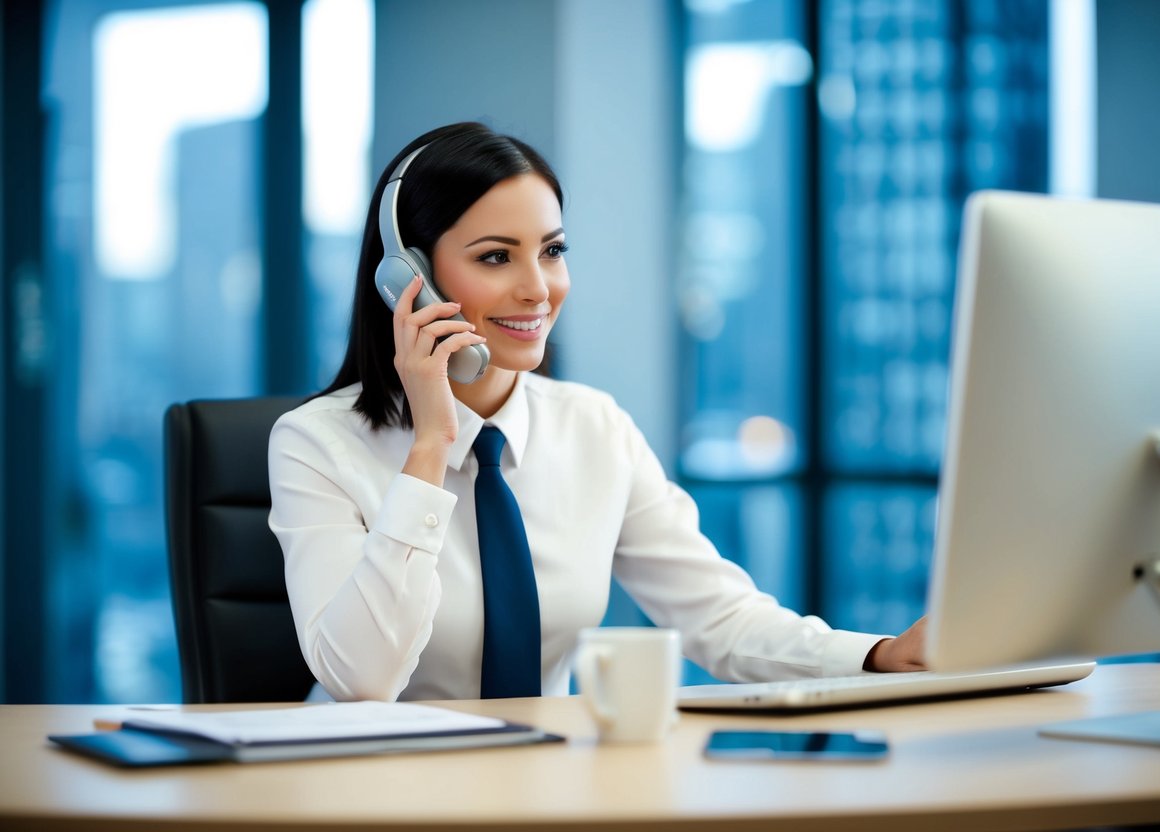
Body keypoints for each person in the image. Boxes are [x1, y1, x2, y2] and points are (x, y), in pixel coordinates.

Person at [268, 121, 926, 703]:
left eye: (551, 250)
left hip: (548, 782)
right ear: (404, 277)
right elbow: (361, 681)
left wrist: (877, 655)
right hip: (375, 791)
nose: (537, 289)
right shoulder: (315, 443)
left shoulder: (593, 428)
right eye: (495, 257)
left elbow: (720, 620)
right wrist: (432, 446)